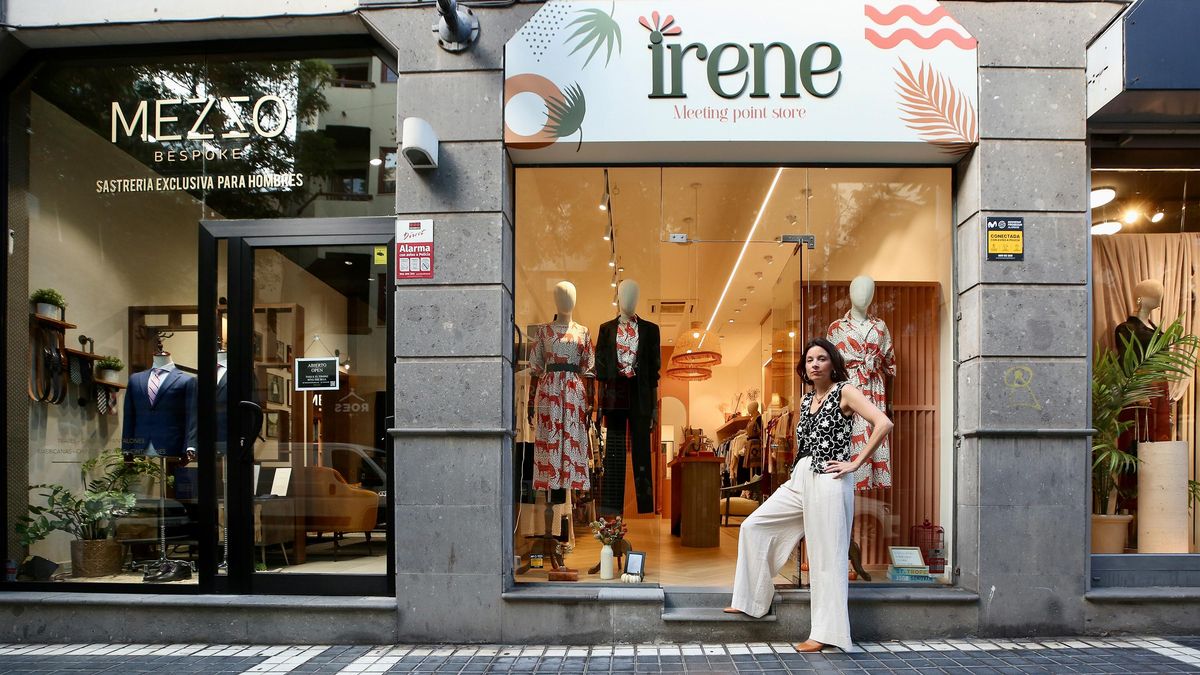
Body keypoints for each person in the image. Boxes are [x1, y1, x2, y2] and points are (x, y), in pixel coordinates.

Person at [723, 338, 893, 652]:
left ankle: (827, 634)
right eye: (810, 359)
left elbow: (883, 423)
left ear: (833, 363)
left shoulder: (845, 391)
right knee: (754, 526)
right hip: (802, 475)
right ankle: (750, 600)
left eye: (822, 358)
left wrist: (855, 462)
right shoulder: (804, 401)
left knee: (827, 557)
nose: (815, 364)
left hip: (830, 479)